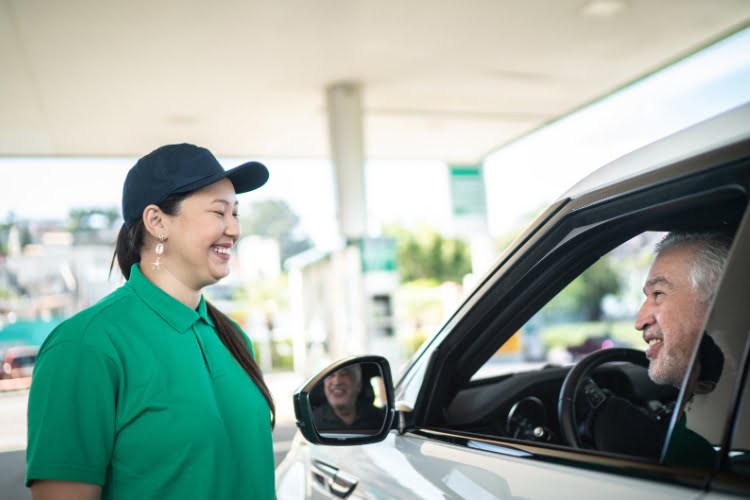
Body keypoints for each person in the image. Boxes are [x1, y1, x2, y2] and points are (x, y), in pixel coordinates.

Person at [26, 144, 276, 500]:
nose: (234, 229)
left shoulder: (233, 338)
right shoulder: (86, 345)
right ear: (157, 222)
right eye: (219, 213)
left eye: (236, 214)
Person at [592, 231, 731, 460]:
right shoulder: (723, 413)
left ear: (718, 305)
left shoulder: (712, 449)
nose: (639, 322)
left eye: (658, 294)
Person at [312, 364, 386, 432]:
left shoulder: (379, 418)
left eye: (344, 374)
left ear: (358, 385)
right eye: (331, 375)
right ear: (324, 385)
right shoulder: (313, 422)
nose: (337, 382)